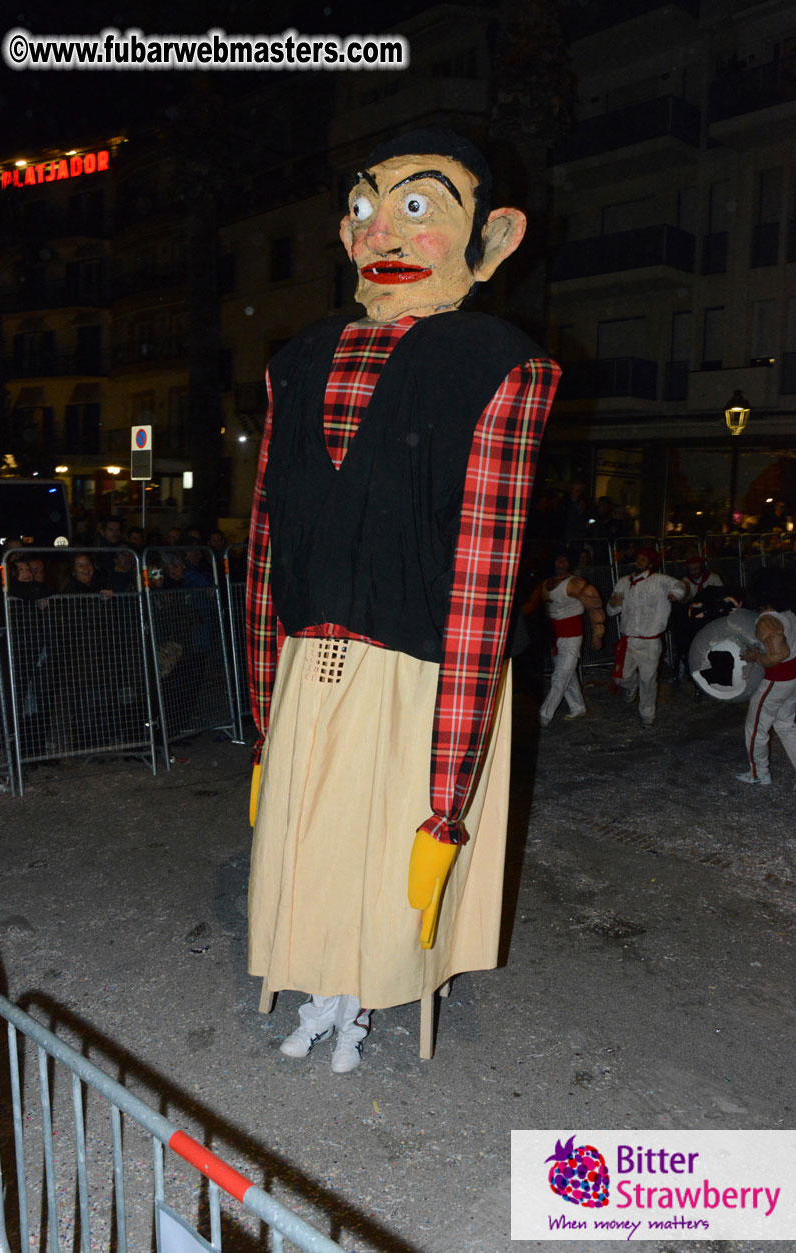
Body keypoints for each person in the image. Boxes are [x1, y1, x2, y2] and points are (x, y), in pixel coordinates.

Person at [245, 128, 559, 1073]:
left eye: (417, 208)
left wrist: (450, 783)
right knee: (304, 843)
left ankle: (363, 1001)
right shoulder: (296, 360)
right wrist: (262, 716)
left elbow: (487, 568)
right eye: (362, 206)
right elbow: (265, 542)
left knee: (386, 855)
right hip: (311, 660)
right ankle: (313, 986)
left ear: (492, 240)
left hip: (418, 669)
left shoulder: (499, 363)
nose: (377, 227)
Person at [737, 571, 796, 790]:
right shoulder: (788, 613)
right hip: (795, 679)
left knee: (756, 728)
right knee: (785, 723)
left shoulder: (767, 620)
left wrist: (754, 656)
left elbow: (779, 654)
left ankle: (759, 773)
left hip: (777, 681)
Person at [522, 548, 605, 725]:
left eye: (564, 561)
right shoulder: (544, 584)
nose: (561, 564)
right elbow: (531, 606)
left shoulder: (577, 584)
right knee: (567, 674)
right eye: (558, 560)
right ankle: (578, 707)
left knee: (559, 676)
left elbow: (595, 608)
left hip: (572, 637)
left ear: (570, 563)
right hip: (554, 637)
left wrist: (598, 634)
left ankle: (544, 715)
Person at [606, 547, 685, 727]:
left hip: (650, 641)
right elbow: (613, 609)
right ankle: (631, 686)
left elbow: (679, 586)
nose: (639, 561)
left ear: (650, 564)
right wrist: (612, 604)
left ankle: (647, 715)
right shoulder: (624, 582)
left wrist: (676, 594)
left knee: (648, 679)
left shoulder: (659, 580)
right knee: (621, 677)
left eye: (644, 559)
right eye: (638, 558)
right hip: (630, 639)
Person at [673, 554, 723, 683]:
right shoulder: (685, 581)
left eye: (696, 568)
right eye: (691, 569)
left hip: (710, 617)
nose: (694, 572)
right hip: (693, 620)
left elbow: (721, 595)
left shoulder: (713, 578)